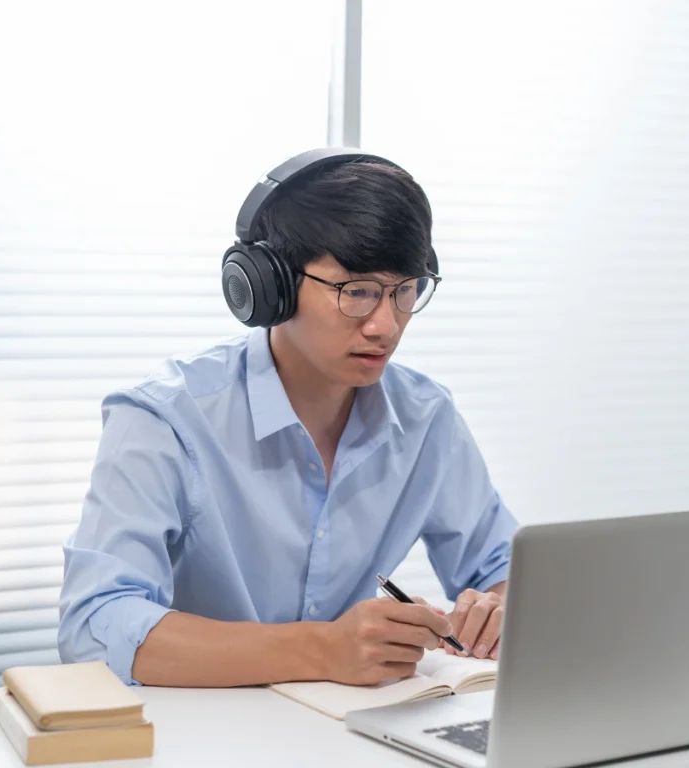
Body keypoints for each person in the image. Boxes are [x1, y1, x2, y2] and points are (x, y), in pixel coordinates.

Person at [57, 150, 518, 688]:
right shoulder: (165, 419)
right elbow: (93, 626)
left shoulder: (425, 417)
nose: (385, 325)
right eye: (358, 292)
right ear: (267, 286)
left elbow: (504, 568)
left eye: (405, 291)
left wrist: (499, 608)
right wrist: (321, 651)